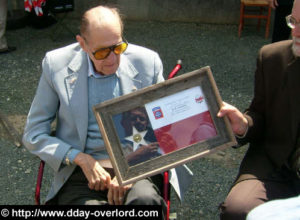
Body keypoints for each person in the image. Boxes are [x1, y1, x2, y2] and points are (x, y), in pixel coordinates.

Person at [22, 5, 192, 208]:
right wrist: (80, 158)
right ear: (82, 44)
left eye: (118, 48)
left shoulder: (147, 62)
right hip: (82, 172)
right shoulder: (56, 65)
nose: (112, 60)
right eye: (102, 53)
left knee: (145, 203)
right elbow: (33, 134)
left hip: (138, 165)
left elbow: (166, 129)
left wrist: (129, 172)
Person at [218, 0, 300, 219]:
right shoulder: (272, 58)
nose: (296, 33)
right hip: (275, 164)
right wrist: (243, 124)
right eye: (294, 22)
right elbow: (260, 115)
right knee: (238, 210)